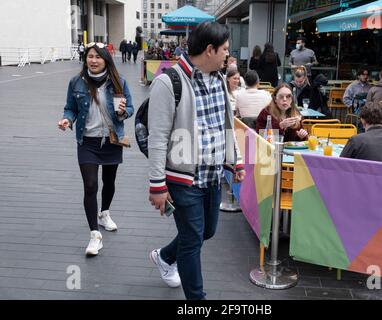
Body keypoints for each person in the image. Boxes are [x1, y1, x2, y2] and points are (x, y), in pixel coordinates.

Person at [147, 21, 245, 300]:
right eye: (225, 49)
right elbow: (157, 138)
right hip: (183, 179)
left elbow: (225, 125)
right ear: (210, 49)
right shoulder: (169, 82)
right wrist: (157, 185)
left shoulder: (218, 80)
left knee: (207, 232)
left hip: (213, 176)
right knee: (192, 240)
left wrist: (234, 161)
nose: (228, 54)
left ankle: (165, 257)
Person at [58, 42, 134, 256]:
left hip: (111, 139)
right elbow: (70, 108)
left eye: (97, 57)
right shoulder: (76, 82)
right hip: (87, 141)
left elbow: (130, 107)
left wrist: (122, 112)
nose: (93, 60)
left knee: (109, 181)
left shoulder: (119, 82)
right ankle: (94, 235)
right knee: (90, 185)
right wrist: (67, 119)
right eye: (90, 56)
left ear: (106, 60)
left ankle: (105, 213)